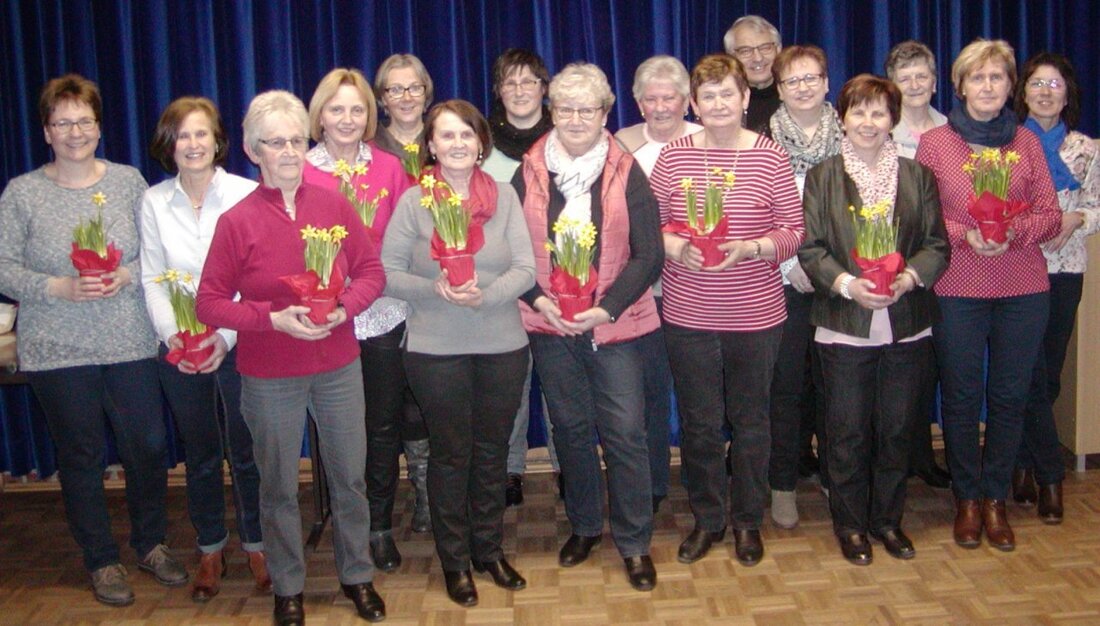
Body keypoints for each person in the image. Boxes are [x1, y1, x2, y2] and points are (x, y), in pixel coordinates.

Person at [195, 90, 387, 625]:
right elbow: (207, 302)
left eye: (297, 141)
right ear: (254, 151)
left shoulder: (334, 204)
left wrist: (344, 309)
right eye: (275, 143)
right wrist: (269, 319)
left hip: (338, 366)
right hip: (269, 374)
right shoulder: (237, 221)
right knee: (278, 485)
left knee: (350, 477)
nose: (288, 153)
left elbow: (372, 273)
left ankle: (358, 576)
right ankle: (288, 587)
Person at [0, 74, 185, 606]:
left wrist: (128, 274)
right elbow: (5, 267)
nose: (75, 131)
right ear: (46, 132)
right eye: (63, 122)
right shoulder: (24, 193)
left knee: (148, 447)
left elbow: (156, 249)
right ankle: (102, 560)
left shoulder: (128, 183)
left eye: (84, 120)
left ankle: (151, 544)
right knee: (81, 454)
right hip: (58, 348)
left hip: (128, 340)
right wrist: (55, 285)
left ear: (99, 127)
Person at [514, 62, 664, 591]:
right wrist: (537, 297)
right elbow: (512, 252)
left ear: (605, 113)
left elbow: (650, 255)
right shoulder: (529, 168)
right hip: (552, 328)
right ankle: (583, 526)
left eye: (588, 109)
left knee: (625, 434)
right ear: (552, 112)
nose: (576, 119)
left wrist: (609, 307)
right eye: (566, 109)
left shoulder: (626, 169)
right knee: (572, 431)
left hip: (615, 329)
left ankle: (634, 541)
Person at [650, 54, 803, 567]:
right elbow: (648, 224)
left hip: (755, 315)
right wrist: (674, 248)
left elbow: (795, 230)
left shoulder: (769, 156)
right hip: (689, 314)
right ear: (695, 103)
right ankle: (708, 519)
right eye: (707, 96)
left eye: (727, 94)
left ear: (744, 99)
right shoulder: (672, 157)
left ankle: (746, 521)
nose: (717, 104)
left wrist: (754, 247)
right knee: (699, 424)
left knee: (751, 422)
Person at [380, 99, 535, 607]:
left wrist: (485, 295)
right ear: (430, 146)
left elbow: (526, 269)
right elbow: (388, 274)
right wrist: (437, 290)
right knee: (451, 455)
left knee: (492, 452)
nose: (457, 144)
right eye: (446, 136)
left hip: (502, 343)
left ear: (481, 143)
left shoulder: (506, 197)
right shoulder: (412, 202)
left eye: (466, 135)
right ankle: (455, 561)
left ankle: (488, 550)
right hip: (435, 347)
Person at [916, 39, 1060, 552]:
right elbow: (923, 215)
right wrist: (967, 234)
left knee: (1009, 396)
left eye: (997, 78)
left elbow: (1049, 213)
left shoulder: (1026, 141)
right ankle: (967, 499)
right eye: (977, 78)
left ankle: (996, 498)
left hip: (1023, 285)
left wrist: (1012, 233)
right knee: (958, 396)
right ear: (959, 86)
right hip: (959, 286)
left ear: (1009, 86)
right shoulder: (936, 144)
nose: (988, 87)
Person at [799, 75, 950, 565]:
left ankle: (887, 520)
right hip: (844, 321)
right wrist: (847, 283)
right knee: (845, 431)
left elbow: (936, 245)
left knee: (897, 429)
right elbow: (812, 249)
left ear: (892, 120)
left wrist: (908, 277)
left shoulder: (917, 175)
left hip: (907, 322)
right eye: (858, 112)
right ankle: (850, 525)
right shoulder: (822, 176)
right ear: (843, 117)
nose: (868, 122)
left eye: (879, 113)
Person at [139, 96, 269, 601]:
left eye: (201, 134)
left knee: (247, 451)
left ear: (218, 142)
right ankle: (211, 548)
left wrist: (222, 335)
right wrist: (177, 337)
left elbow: (255, 275)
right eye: (182, 135)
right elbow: (152, 278)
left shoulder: (246, 193)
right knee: (200, 453)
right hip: (179, 349)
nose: (192, 144)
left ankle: (257, 544)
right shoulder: (153, 202)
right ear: (168, 146)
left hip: (240, 341)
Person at [302, 68, 420, 571]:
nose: (347, 119)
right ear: (320, 116)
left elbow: (410, 237)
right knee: (341, 429)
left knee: (383, 427)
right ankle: (348, 522)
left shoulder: (390, 168)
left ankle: (378, 525)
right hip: (324, 321)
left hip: (382, 314)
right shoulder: (300, 169)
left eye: (356, 109)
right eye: (336, 109)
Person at [1012, 52, 1100, 524]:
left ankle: (1023, 464)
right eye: (1037, 84)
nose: (1046, 92)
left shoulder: (1088, 148)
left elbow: (1098, 206)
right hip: (1016, 267)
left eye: (1055, 84)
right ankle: (1049, 474)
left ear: (1068, 93)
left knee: (1046, 374)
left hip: (1065, 268)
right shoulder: (1008, 144)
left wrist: (1078, 219)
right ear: (1022, 92)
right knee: (1021, 371)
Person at [614, 54, 702, 513]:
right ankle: (650, 480)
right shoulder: (620, 144)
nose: (662, 106)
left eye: (670, 97)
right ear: (636, 101)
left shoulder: (706, 140)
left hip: (698, 286)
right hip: (641, 291)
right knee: (647, 388)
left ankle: (698, 472)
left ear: (687, 100)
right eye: (651, 98)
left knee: (694, 386)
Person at [766, 44, 842, 529]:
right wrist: (790, 262)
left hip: (843, 281)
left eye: (811, 77)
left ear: (827, 82)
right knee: (787, 386)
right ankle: (783, 484)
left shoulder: (853, 135)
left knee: (839, 386)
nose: (804, 87)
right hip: (785, 280)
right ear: (779, 90)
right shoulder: (763, 142)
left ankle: (840, 477)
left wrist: (838, 271)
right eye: (793, 81)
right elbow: (761, 213)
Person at [481, 48, 557, 507]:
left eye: (529, 81)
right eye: (510, 82)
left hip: (557, 282)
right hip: (501, 285)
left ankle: (570, 463)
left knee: (560, 384)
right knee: (508, 385)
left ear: (544, 89)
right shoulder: (480, 143)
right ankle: (509, 469)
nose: (520, 90)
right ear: (498, 91)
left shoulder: (565, 137)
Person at [884, 40, 953, 490]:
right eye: (904, 76)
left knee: (926, 363)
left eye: (921, 75)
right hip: (884, 258)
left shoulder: (950, 129)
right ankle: (890, 456)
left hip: (937, 258)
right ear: (893, 83)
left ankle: (921, 455)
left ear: (935, 80)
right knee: (893, 363)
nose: (914, 84)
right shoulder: (880, 129)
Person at [885, 41, 949, 159]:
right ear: (892, 88)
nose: (914, 86)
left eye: (921, 77)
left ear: (934, 84)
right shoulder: (881, 134)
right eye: (904, 79)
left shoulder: (953, 132)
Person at [723, 15, 782, 133]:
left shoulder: (794, 96)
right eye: (745, 51)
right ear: (731, 57)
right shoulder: (723, 103)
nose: (758, 58)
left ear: (779, 49)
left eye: (765, 48)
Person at [372, 53, 433, 160]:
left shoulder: (442, 140)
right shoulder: (370, 148)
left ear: (426, 93)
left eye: (415, 88)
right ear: (383, 98)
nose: (407, 98)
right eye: (396, 90)